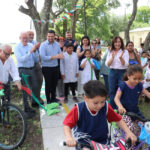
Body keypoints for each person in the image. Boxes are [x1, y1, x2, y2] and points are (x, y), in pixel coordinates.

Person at [63, 80, 137, 149]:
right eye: (95, 103)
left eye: (102, 101)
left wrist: (129, 132)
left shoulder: (106, 106)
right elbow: (67, 125)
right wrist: (69, 137)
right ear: (86, 98)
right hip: (84, 141)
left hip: (102, 141)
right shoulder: (78, 109)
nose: (99, 105)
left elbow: (118, 119)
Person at [14, 32, 40, 117]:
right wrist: (30, 52)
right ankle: (26, 108)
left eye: (26, 38)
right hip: (23, 70)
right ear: (20, 38)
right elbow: (21, 60)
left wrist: (35, 51)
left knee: (35, 86)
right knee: (25, 89)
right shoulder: (17, 47)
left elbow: (35, 58)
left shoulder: (30, 45)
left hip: (32, 69)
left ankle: (32, 103)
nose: (25, 39)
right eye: (23, 38)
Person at [39, 30, 64, 104]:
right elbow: (43, 57)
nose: (50, 38)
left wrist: (61, 55)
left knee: (54, 83)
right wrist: (55, 56)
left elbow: (60, 53)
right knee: (48, 84)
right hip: (47, 68)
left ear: (54, 36)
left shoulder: (57, 44)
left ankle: (53, 98)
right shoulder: (43, 45)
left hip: (55, 67)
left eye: (52, 36)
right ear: (47, 36)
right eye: (49, 36)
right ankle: (48, 100)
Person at [106, 36, 129, 109]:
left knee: (121, 90)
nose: (117, 43)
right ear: (113, 43)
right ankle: (112, 108)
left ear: (121, 43)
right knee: (112, 90)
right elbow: (107, 64)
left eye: (119, 42)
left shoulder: (125, 51)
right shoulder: (110, 51)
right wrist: (112, 58)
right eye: (116, 42)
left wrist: (121, 58)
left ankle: (120, 108)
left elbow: (125, 64)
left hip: (122, 72)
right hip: (112, 72)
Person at [27, 30, 43, 106]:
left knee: (40, 80)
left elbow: (39, 53)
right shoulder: (25, 43)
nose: (31, 36)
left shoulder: (35, 42)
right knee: (31, 84)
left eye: (32, 34)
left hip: (37, 64)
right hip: (29, 66)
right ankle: (32, 100)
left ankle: (38, 97)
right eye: (29, 34)